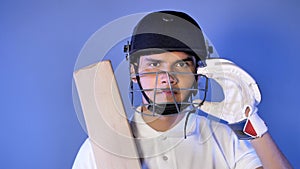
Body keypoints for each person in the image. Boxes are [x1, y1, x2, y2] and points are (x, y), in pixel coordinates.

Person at [72, 10, 292, 169]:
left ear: (198, 72)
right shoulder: (101, 147)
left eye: (181, 65)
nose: (168, 79)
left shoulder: (226, 138)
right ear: (134, 72)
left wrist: (250, 124)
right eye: (154, 64)